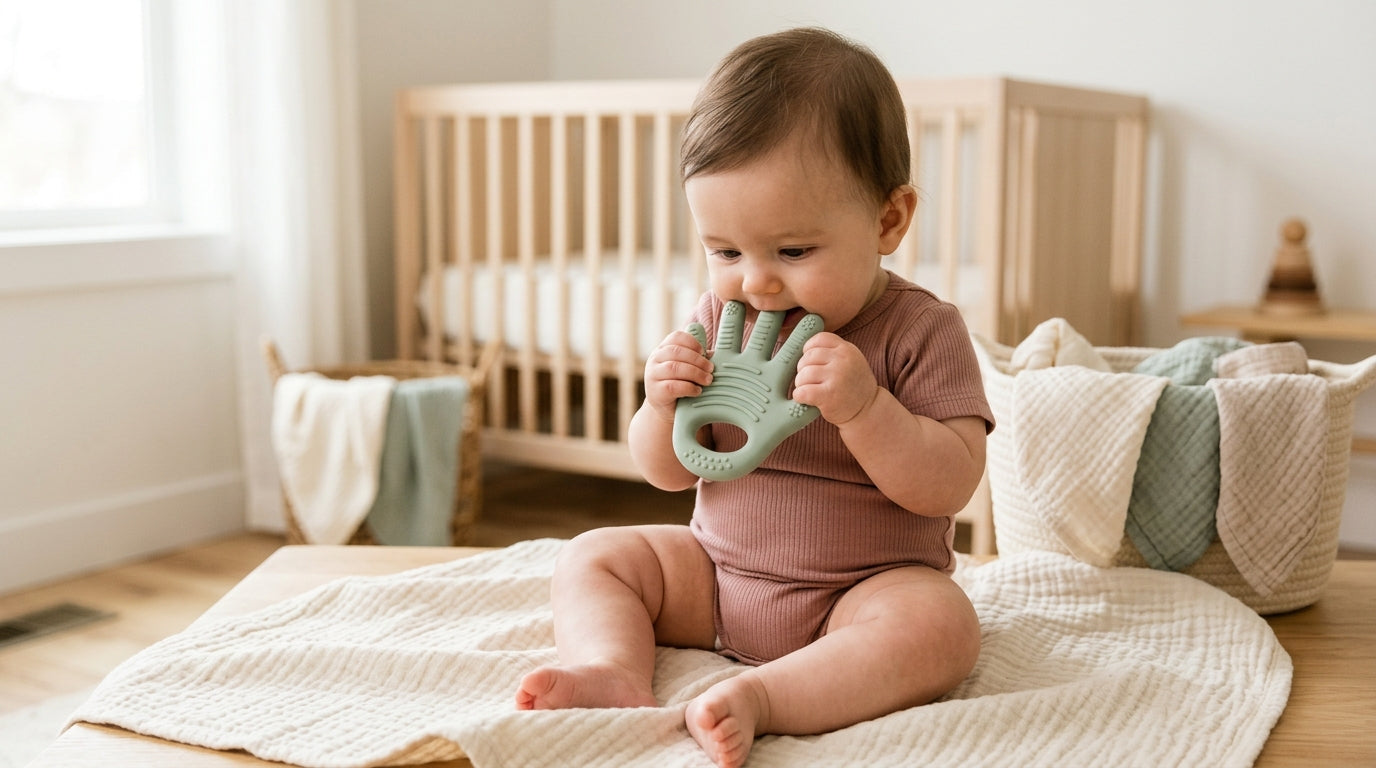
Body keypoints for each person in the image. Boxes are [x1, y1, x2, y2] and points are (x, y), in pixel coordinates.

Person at [515, 26, 994, 768]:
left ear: (888, 220)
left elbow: (951, 483)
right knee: (595, 556)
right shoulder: (720, 324)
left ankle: (770, 696)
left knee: (942, 628)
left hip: (859, 595)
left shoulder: (921, 330)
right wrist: (660, 406)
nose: (756, 282)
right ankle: (612, 667)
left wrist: (868, 411)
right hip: (716, 578)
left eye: (793, 251)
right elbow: (668, 471)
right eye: (725, 252)